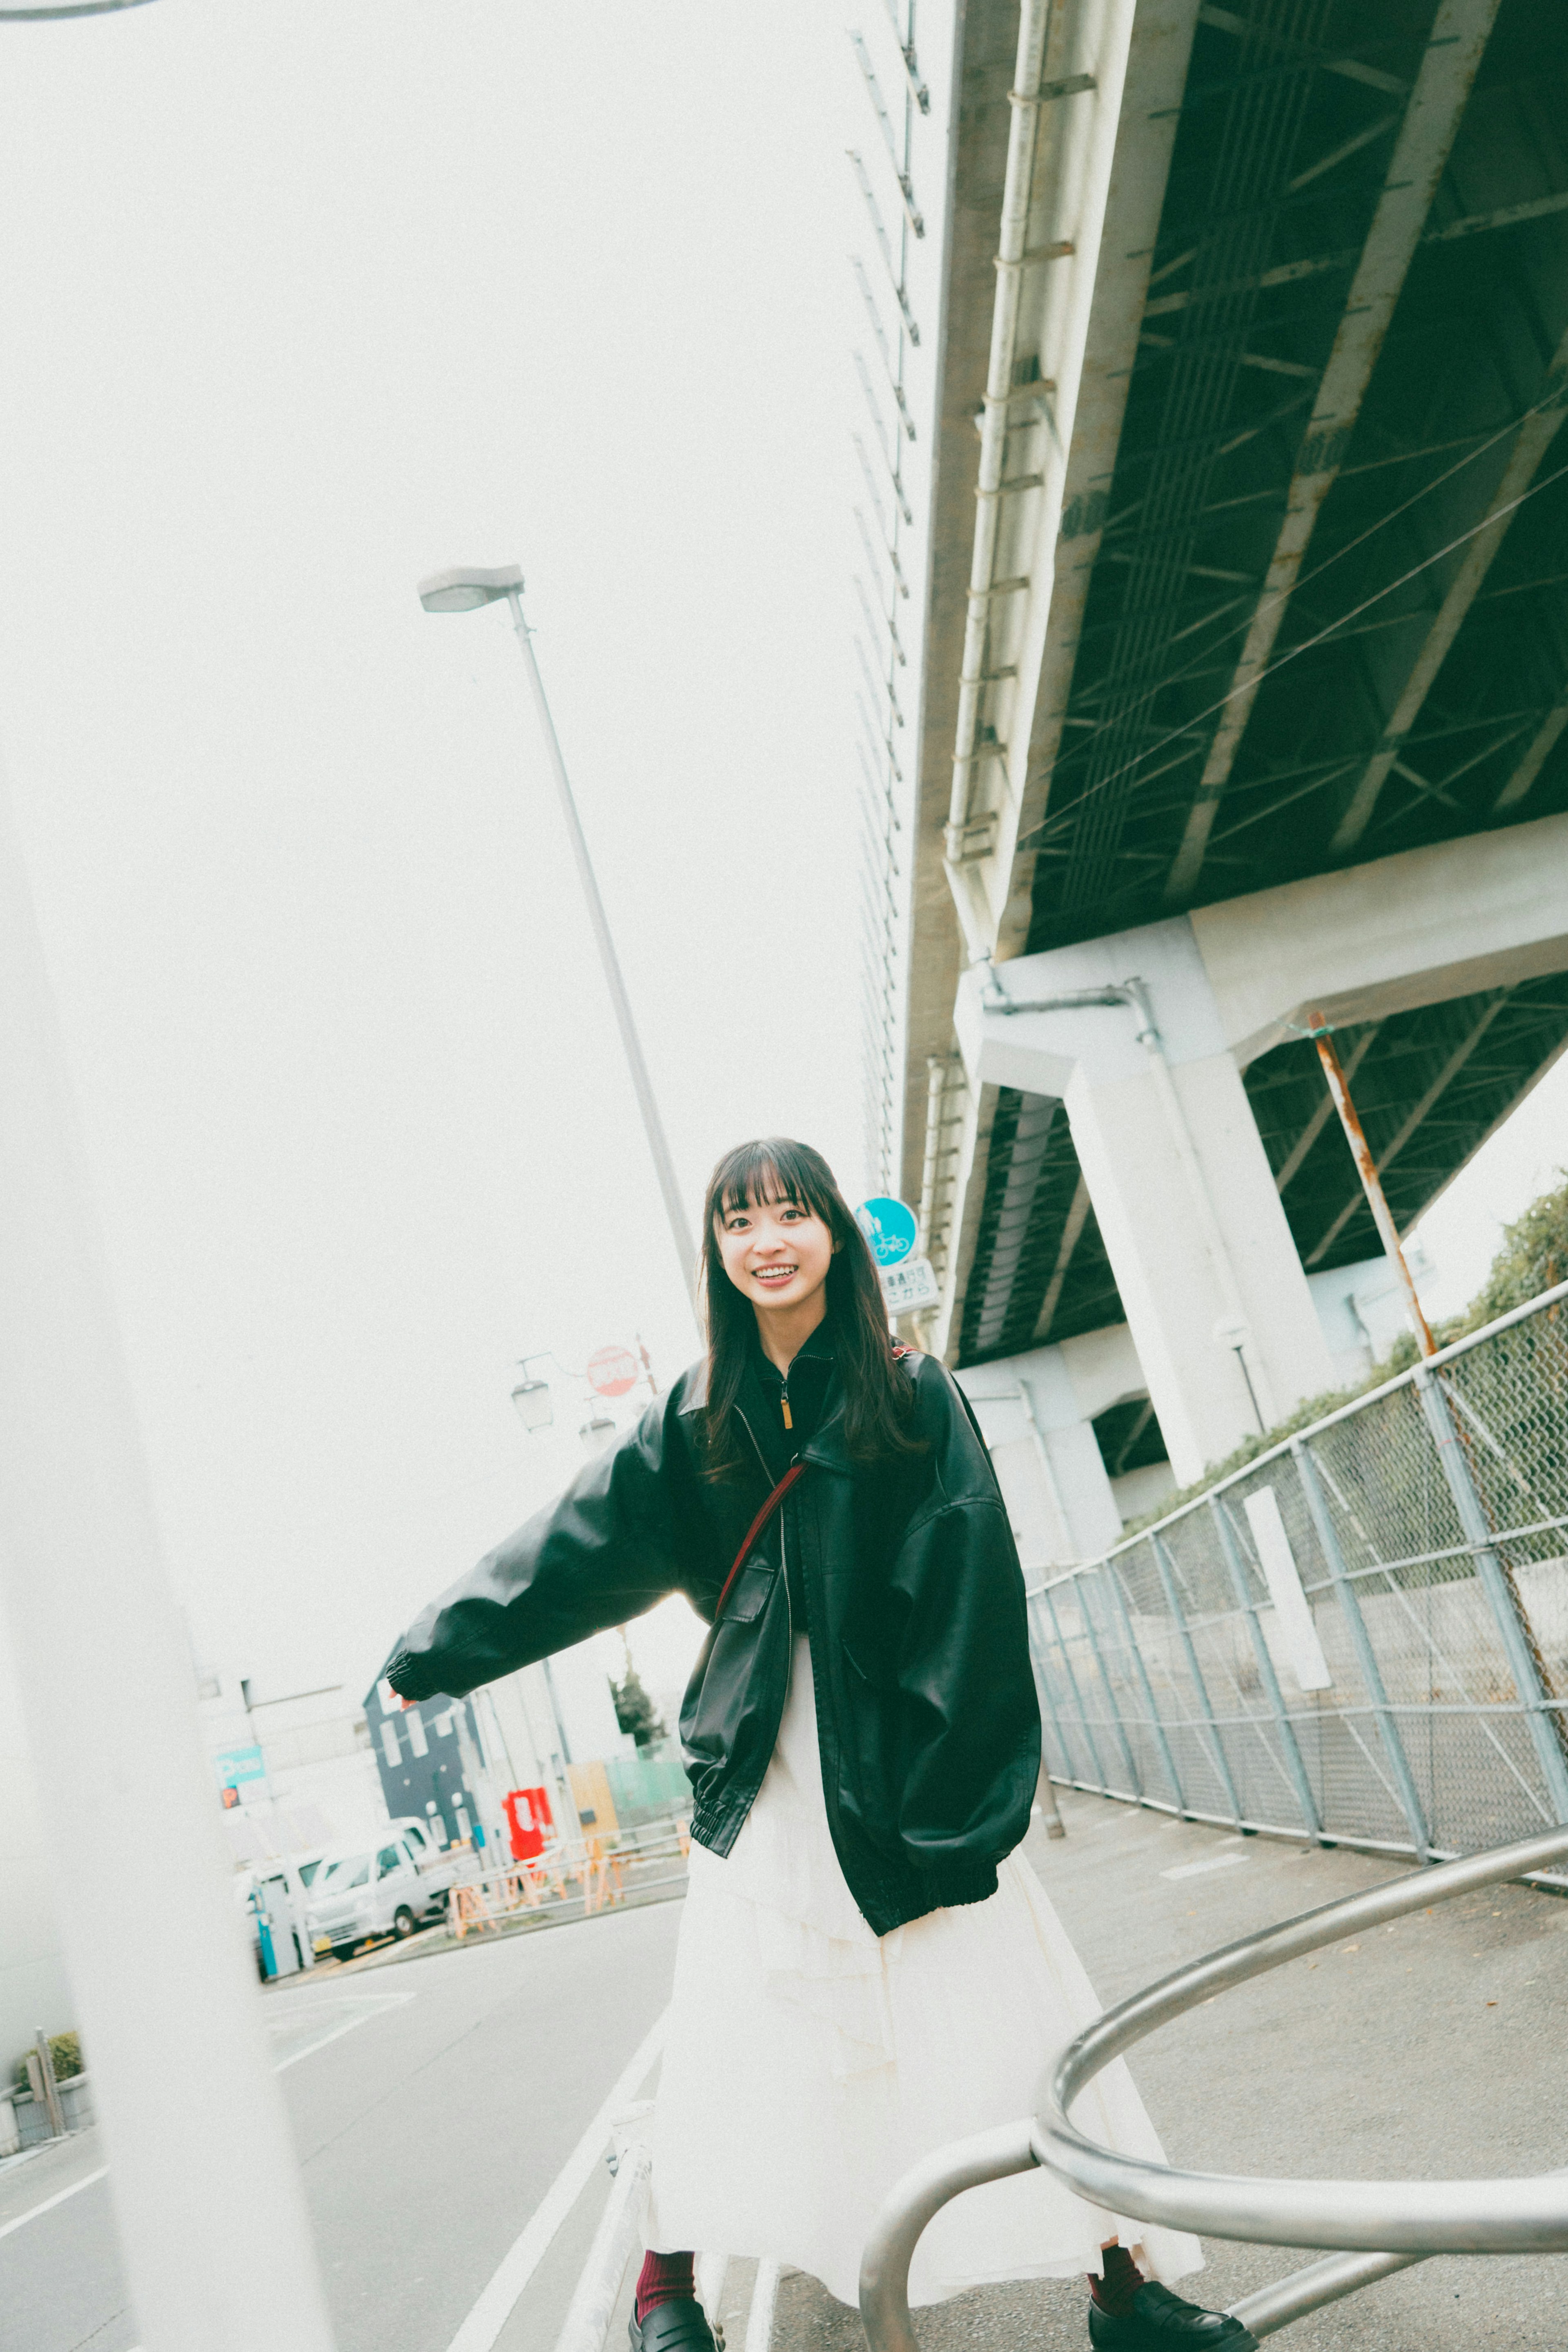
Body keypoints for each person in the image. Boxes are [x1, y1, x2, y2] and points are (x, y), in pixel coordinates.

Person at [383, 1138, 1255, 2352]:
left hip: (904, 1775)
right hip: (768, 1768)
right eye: (741, 1222)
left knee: (1009, 2011)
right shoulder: (691, 1422)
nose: (769, 1240)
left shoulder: (911, 1394)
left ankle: (1124, 2284)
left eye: (792, 1213)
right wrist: (435, 1650)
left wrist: (958, 1810)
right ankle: (664, 2290)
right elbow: (573, 1548)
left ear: (836, 1235)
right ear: (719, 1253)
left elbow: (970, 1597)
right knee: (737, 2024)